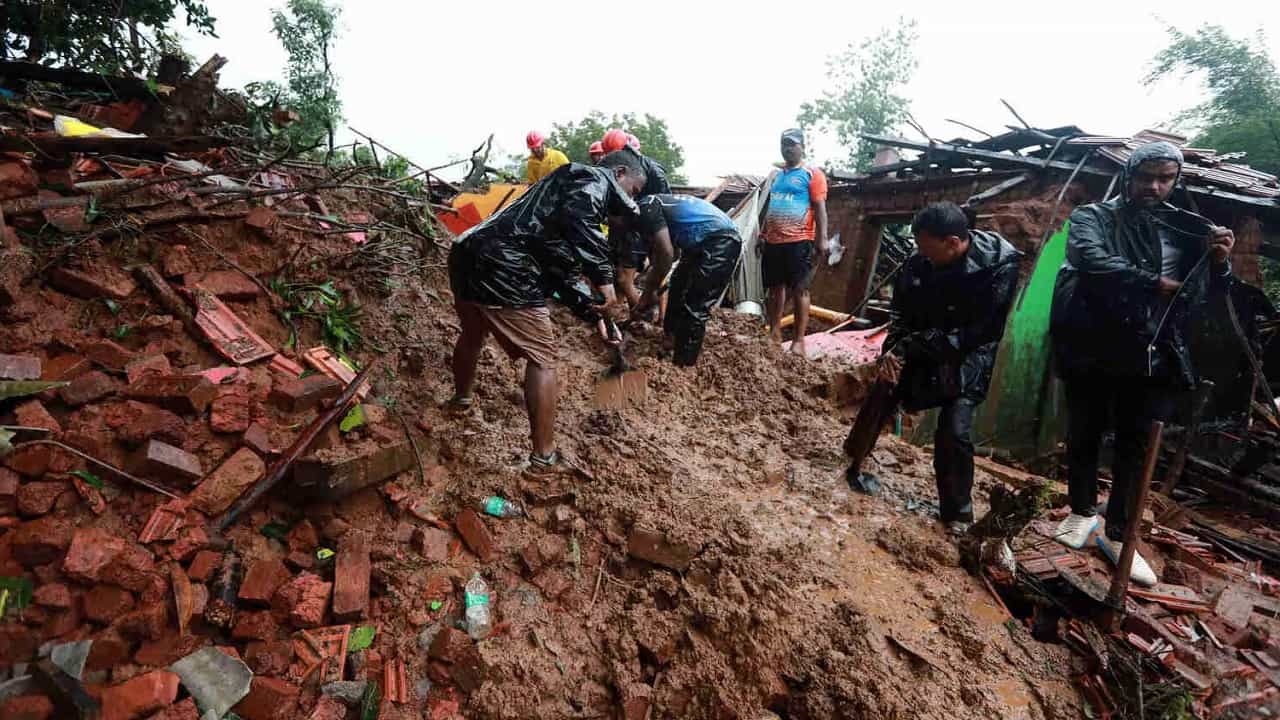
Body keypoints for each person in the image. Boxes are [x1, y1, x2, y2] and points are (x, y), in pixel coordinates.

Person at [1049, 141, 1235, 586]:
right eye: (1146, 176)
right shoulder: (1095, 216)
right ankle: (1080, 513)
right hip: (1094, 344)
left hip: (1154, 351)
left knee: (1136, 446)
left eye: (1165, 178)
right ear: (1129, 174)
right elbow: (1089, 259)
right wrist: (1154, 282)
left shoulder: (1189, 228)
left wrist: (1222, 263)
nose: (1154, 186)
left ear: (1176, 179)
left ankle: (1118, 534)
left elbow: (1207, 292)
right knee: (1085, 432)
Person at [448, 150, 647, 472]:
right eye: (633, 191)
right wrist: (604, 278)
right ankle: (544, 458)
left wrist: (594, 313)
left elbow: (562, 270)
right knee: (543, 359)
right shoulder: (588, 178)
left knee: (473, 332)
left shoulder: (554, 203)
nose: (628, 201)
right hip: (503, 265)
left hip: (467, 252)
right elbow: (582, 222)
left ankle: (460, 401)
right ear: (619, 172)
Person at [850, 202, 1021, 535]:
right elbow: (900, 314)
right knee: (883, 389)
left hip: (968, 353)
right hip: (918, 340)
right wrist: (892, 351)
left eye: (928, 248)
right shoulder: (919, 262)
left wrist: (910, 345)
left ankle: (957, 514)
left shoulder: (999, 265)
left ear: (954, 242)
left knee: (955, 429)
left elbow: (980, 331)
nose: (922, 255)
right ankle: (852, 461)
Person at [630, 194, 742, 366]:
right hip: (699, 243)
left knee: (695, 304)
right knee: (677, 287)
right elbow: (672, 254)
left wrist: (648, 293)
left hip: (721, 240)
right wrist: (650, 292)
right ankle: (670, 339)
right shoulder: (655, 207)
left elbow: (667, 255)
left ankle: (683, 365)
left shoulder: (646, 207)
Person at [760, 128, 828, 357]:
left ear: (802, 147)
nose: (787, 148)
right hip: (774, 241)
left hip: (799, 240)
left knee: (800, 289)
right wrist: (763, 233)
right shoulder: (777, 176)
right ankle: (774, 333)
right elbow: (772, 206)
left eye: (791, 143)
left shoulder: (812, 174)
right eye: (783, 144)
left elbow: (820, 207)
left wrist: (823, 238)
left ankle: (799, 342)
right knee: (774, 289)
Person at [599, 132, 672, 308]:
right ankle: (638, 314)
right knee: (621, 276)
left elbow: (663, 203)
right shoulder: (614, 168)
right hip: (624, 227)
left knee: (626, 277)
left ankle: (645, 314)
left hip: (640, 228)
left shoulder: (652, 172)